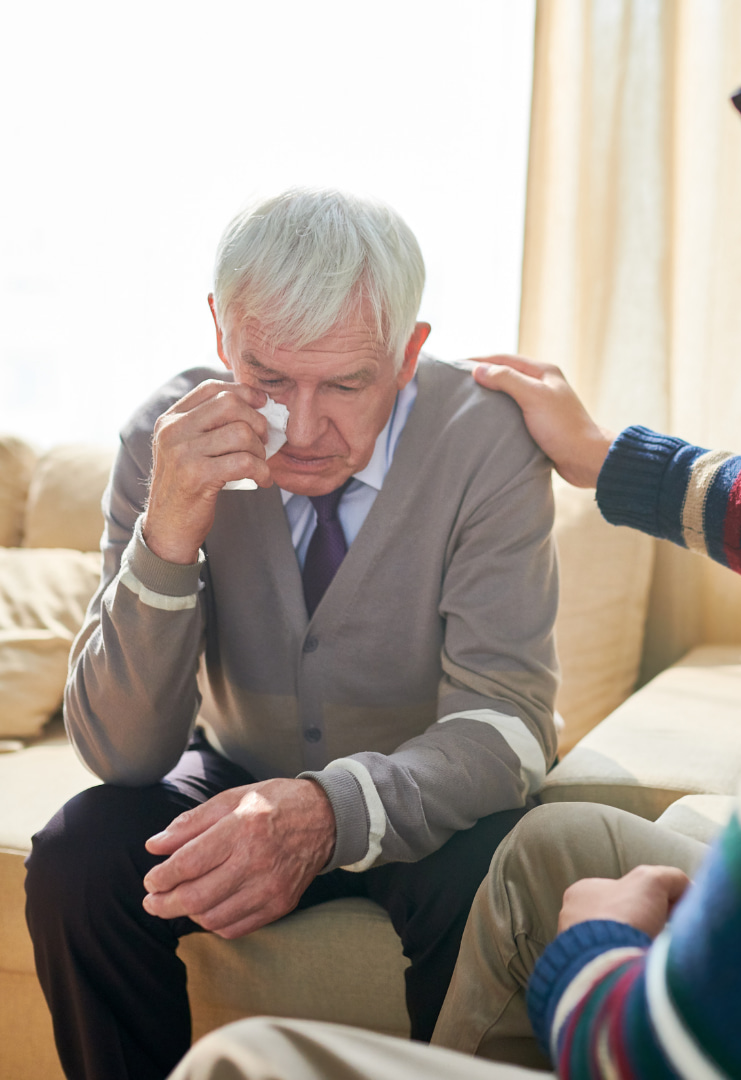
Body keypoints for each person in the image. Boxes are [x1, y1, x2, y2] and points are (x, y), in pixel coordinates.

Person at [171, 0, 741, 1077]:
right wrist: (615, 462)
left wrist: (592, 944)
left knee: (253, 1061)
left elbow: (697, 1057)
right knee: (556, 846)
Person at [23, 188, 560, 1080]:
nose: (303, 431)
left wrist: (325, 809)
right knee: (80, 857)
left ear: (409, 353)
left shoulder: (487, 438)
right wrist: (169, 530)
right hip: (235, 764)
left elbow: (510, 724)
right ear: (220, 334)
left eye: (347, 384)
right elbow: (122, 753)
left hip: (429, 787)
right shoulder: (167, 439)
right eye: (267, 379)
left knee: (493, 871)